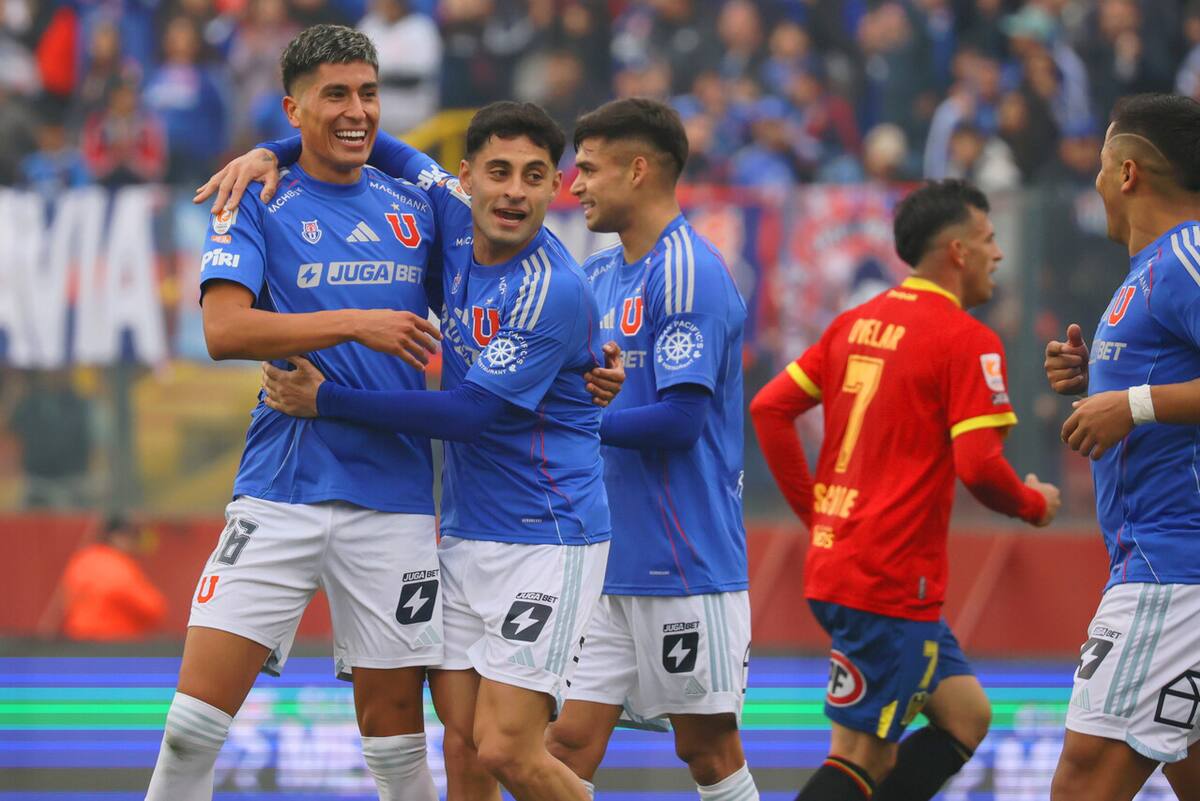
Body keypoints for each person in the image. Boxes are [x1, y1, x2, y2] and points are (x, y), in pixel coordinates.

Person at [250, 102, 613, 801]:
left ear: (555, 187)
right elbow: (369, 138)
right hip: (468, 533)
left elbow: (470, 413)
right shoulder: (446, 208)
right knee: (461, 736)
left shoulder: (554, 289)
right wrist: (269, 151)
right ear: (466, 177)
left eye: (534, 176)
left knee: (506, 745)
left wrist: (326, 400)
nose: (513, 191)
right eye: (499, 172)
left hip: (549, 537)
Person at [146, 25, 450, 801]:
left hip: (396, 499)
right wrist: (356, 321)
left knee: (396, 742)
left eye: (369, 93)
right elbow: (223, 329)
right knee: (190, 726)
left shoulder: (417, 202)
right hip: (281, 487)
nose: (357, 111)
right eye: (336, 95)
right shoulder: (257, 194)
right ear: (294, 105)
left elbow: (503, 262)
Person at [750, 179, 1061, 801]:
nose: (998, 253)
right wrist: (1033, 504)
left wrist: (820, 517)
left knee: (967, 716)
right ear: (958, 251)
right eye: (989, 238)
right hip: (889, 581)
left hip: (847, 563)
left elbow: (768, 408)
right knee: (861, 752)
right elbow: (978, 465)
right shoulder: (965, 338)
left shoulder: (854, 324)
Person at [542, 97, 761, 801]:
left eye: (591, 169)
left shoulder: (689, 271)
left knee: (707, 748)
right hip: (605, 560)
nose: (574, 186)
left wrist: (574, 426)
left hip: (683, 559)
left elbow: (679, 422)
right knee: (565, 743)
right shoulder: (599, 277)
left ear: (639, 171)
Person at [1043, 92, 1200, 801]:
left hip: (1171, 570)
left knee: (1080, 785)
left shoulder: (1189, 254)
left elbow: (1143, 408)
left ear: (1129, 172)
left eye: (1102, 168)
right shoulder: (1148, 270)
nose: (1096, 183)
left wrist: (1130, 404)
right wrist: (1100, 377)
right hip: (1161, 560)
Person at [49, 514, 166, 641]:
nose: (136, 543)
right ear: (118, 536)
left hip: (80, 643)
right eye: (134, 536)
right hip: (113, 644)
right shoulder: (117, 564)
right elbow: (153, 608)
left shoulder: (83, 559)